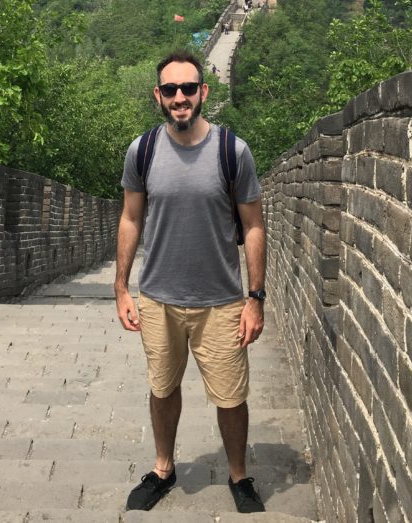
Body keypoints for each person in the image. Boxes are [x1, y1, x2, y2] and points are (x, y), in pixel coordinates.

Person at [114, 51, 267, 514]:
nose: (179, 98)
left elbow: (255, 226)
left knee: (231, 396)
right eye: (170, 90)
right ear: (157, 96)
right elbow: (130, 218)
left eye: (188, 88)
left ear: (204, 92)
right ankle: (163, 469)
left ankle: (239, 474)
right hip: (158, 297)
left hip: (221, 300)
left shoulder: (231, 151)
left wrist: (256, 298)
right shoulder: (141, 151)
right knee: (162, 388)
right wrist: (121, 287)